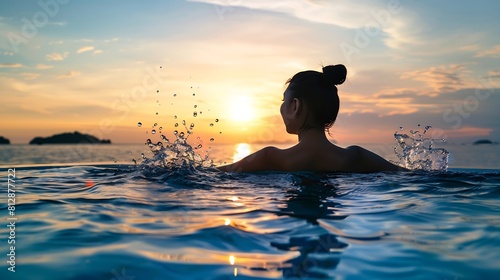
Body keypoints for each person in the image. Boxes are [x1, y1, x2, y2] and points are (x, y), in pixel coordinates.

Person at [217, 64, 407, 173]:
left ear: (295, 106)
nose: (281, 107)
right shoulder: (356, 158)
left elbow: (211, 176)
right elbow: (410, 176)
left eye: (284, 100)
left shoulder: (270, 158)